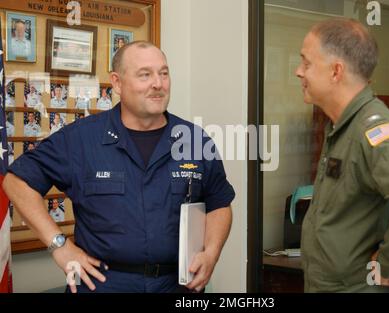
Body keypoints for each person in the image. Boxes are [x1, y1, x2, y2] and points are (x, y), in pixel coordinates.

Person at [3, 41, 235, 293]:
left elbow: (219, 204)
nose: (158, 83)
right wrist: (59, 245)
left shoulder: (194, 139)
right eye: (145, 74)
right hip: (106, 283)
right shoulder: (81, 139)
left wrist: (211, 253)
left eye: (164, 73)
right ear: (117, 83)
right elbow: (16, 182)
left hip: (177, 284)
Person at [295, 18, 389, 292]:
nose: (299, 72)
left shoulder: (374, 131)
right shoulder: (344, 127)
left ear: (336, 71)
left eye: (306, 63)